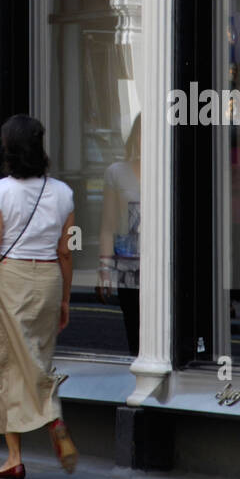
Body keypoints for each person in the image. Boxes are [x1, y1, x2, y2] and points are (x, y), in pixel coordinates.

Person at [0, 114, 77, 479]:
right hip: (48, 278)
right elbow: (66, 251)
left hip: (10, 279)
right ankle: (51, 414)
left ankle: (15, 455)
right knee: (38, 359)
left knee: (5, 367)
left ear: (8, 149)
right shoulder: (63, 194)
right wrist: (65, 298)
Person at [97, 114, 141, 353]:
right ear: (134, 136)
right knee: (134, 328)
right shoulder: (117, 172)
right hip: (129, 265)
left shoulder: (170, 169)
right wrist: (104, 269)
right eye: (142, 133)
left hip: (165, 264)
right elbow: (108, 225)